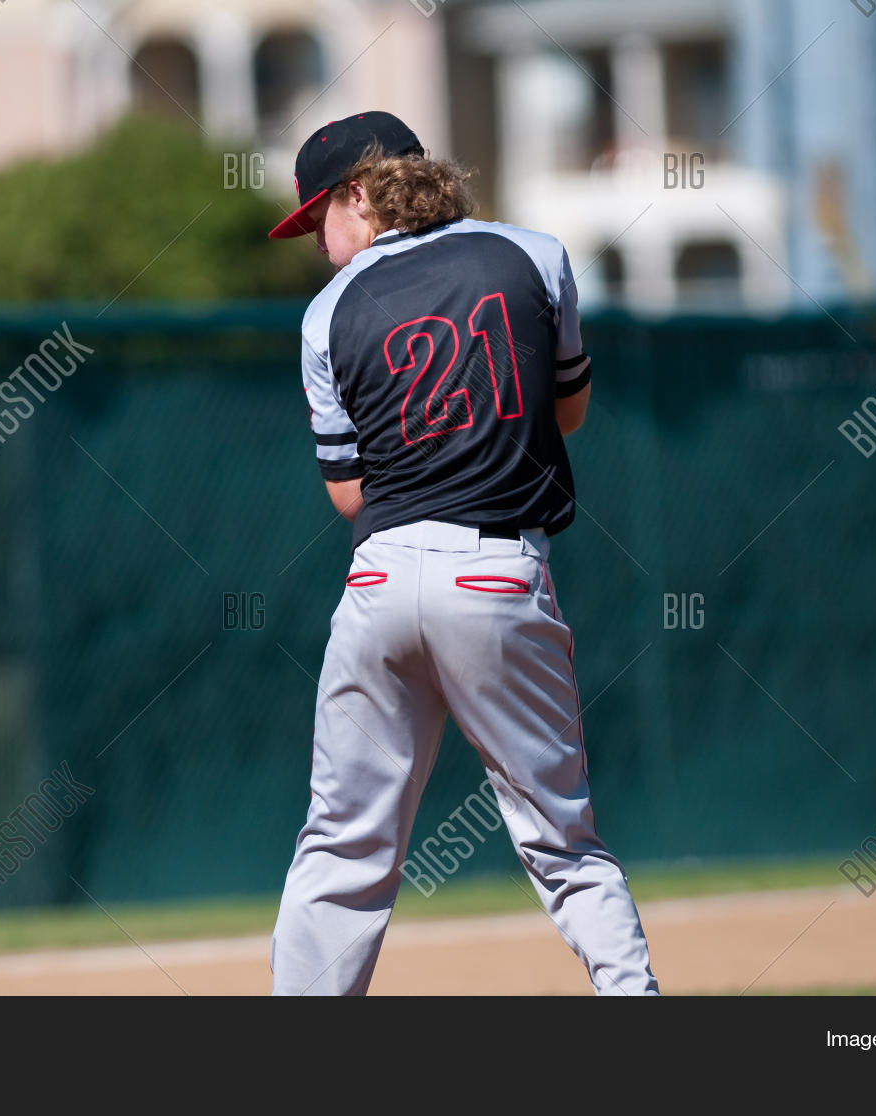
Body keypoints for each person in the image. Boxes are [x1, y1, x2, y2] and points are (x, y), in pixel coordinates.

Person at [266, 111, 658, 996]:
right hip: (494, 570)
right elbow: (565, 412)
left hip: (378, 578)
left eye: (320, 215)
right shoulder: (534, 253)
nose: (319, 242)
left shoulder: (326, 314)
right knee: (561, 841)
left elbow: (346, 493)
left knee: (342, 841)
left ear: (360, 194)